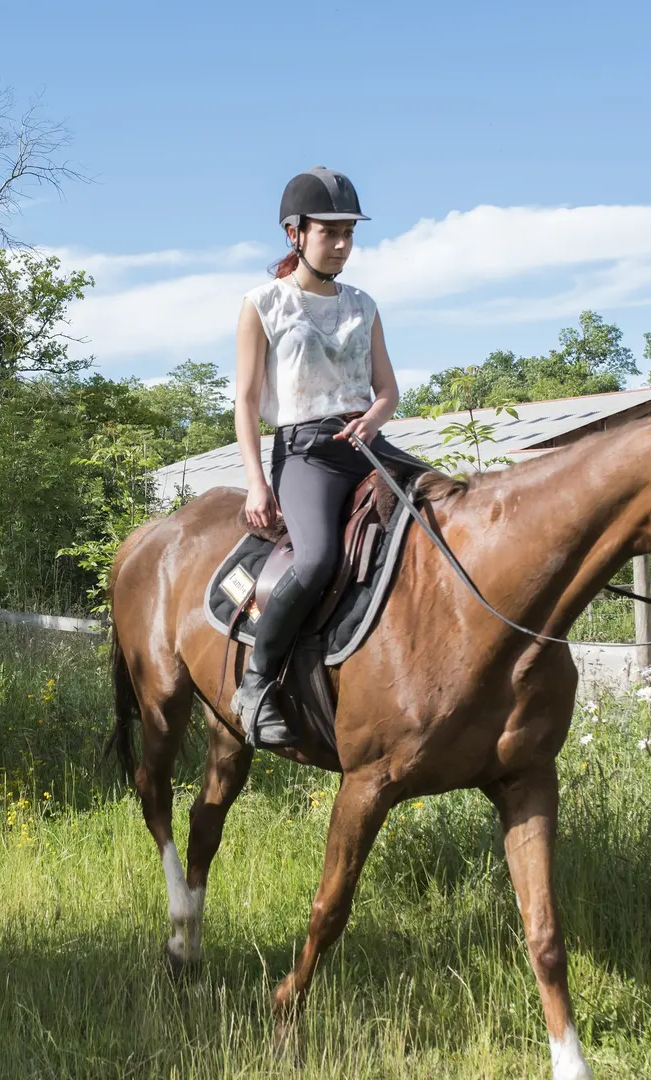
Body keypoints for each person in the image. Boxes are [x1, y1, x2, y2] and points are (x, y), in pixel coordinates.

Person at [231, 167, 427, 748]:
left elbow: (387, 389)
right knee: (315, 560)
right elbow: (244, 400)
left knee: (447, 508)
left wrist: (376, 415)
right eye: (330, 232)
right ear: (295, 233)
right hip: (306, 453)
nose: (342, 244)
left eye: (349, 233)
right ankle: (257, 680)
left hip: (365, 443)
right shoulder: (264, 303)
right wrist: (255, 483)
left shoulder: (363, 305)